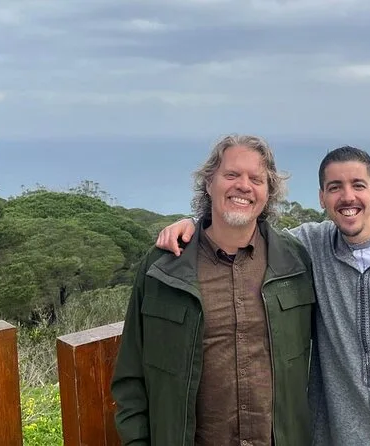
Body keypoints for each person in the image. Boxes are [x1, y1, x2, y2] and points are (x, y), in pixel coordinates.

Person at [156, 146, 370, 445]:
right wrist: (195, 225)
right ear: (322, 198)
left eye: (358, 185)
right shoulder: (311, 248)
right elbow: (245, 231)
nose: (347, 197)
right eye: (335, 187)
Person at [111, 134, 316, 446]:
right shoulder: (163, 267)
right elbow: (131, 375)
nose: (244, 186)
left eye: (256, 179)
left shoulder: (295, 261)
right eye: (231, 174)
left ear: (268, 192)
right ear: (209, 183)